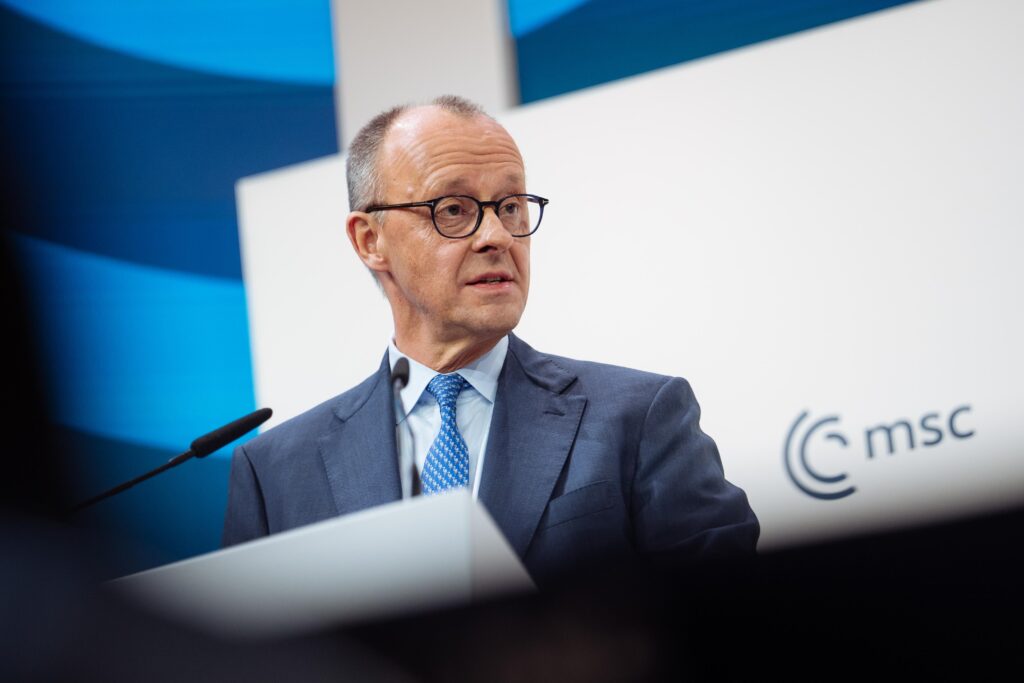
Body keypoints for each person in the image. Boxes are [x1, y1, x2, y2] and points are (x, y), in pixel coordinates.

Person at [222, 95, 758, 586]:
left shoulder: (638, 419)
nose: (497, 236)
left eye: (510, 207)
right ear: (370, 240)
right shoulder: (275, 474)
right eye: (453, 210)